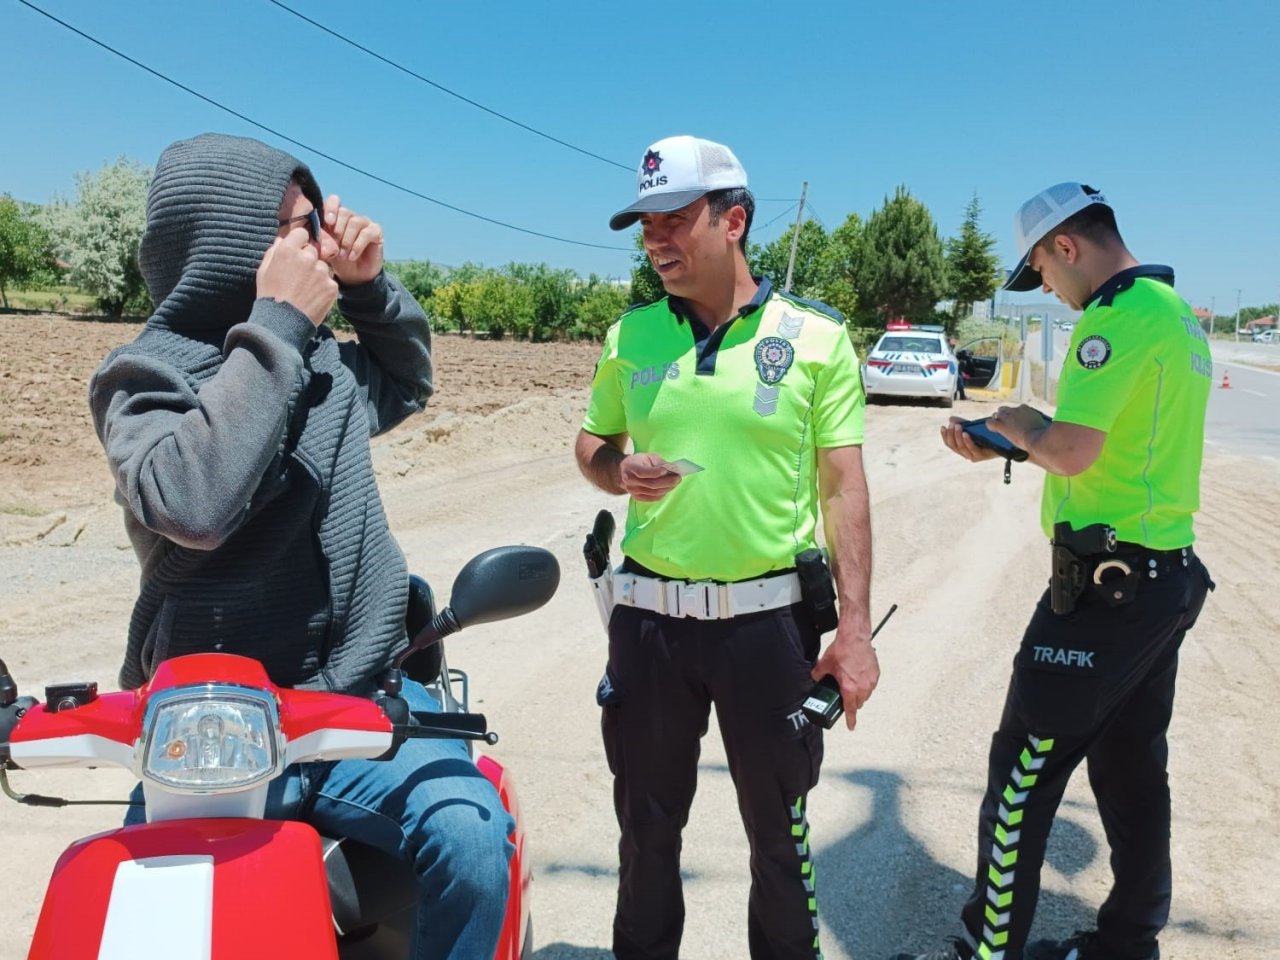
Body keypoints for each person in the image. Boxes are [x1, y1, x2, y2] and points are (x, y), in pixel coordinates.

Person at [89, 132, 512, 960]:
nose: (317, 242)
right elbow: (193, 503)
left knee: (470, 840)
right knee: (140, 918)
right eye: (293, 228)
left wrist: (370, 286)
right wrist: (278, 321)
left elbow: (409, 378)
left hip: (360, 700)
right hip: (214, 730)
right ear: (222, 249)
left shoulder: (322, 361)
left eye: (316, 222)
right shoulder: (142, 378)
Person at [575, 134, 879, 960]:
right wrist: (616, 469)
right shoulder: (630, 335)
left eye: (674, 219)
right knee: (644, 832)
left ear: (734, 219)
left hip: (766, 627)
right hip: (648, 624)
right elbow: (591, 445)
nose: (655, 241)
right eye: (645, 226)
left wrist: (854, 631)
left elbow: (843, 489)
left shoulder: (816, 339)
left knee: (780, 841)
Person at [892, 183, 1214, 960]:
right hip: (1158, 575)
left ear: (1066, 247)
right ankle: (1128, 943)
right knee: (1131, 766)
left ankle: (988, 947)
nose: (1044, 286)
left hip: (1107, 586)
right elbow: (1114, 458)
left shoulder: (1117, 317)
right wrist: (1016, 442)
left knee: (1021, 771)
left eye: (1039, 267)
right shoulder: (1175, 315)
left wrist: (1013, 422)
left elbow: (1070, 448)